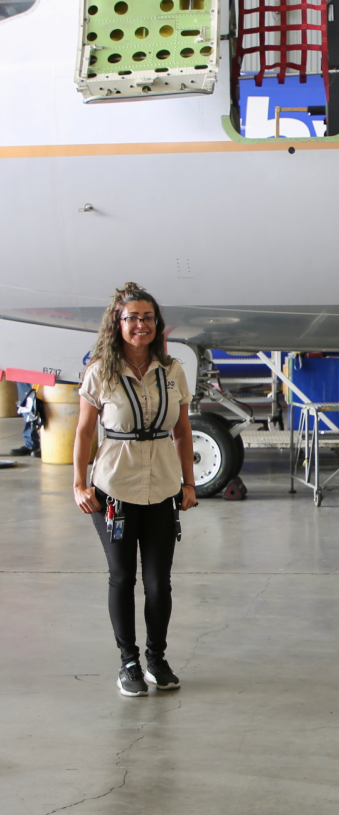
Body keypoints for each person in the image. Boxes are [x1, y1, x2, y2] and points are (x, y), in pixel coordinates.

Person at [73, 283, 198, 698]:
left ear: (157, 324)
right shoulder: (100, 372)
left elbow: (182, 430)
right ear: (117, 323)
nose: (140, 325)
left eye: (147, 318)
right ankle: (127, 662)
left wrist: (189, 482)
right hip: (114, 491)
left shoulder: (173, 369)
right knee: (123, 577)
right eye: (131, 318)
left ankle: (156, 659)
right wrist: (78, 483)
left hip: (162, 488)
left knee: (159, 583)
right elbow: (84, 432)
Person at [10, 381, 41, 456]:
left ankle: (49, 446)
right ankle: (31, 443)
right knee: (27, 407)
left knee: (46, 407)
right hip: (23, 372)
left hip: (44, 372)